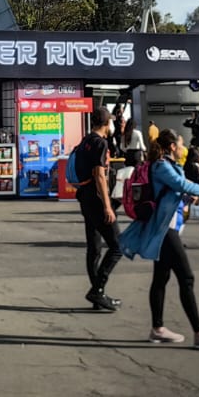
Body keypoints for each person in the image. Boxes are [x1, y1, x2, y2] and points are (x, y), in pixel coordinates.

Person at [119, 129, 199, 350]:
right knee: (186, 278)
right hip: (164, 230)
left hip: (165, 227)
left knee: (161, 278)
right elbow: (182, 185)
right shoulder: (162, 166)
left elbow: (174, 192)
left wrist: (186, 197)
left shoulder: (164, 166)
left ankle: (157, 329)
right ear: (171, 147)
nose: (183, 148)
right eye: (180, 144)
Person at [72, 106, 123, 311]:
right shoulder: (101, 143)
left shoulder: (85, 141)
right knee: (118, 246)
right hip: (96, 198)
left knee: (94, 247)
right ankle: (98, 289)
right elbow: (99, 175)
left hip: (85, 197)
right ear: (107, 123)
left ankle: (97, 295)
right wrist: (107, 206)